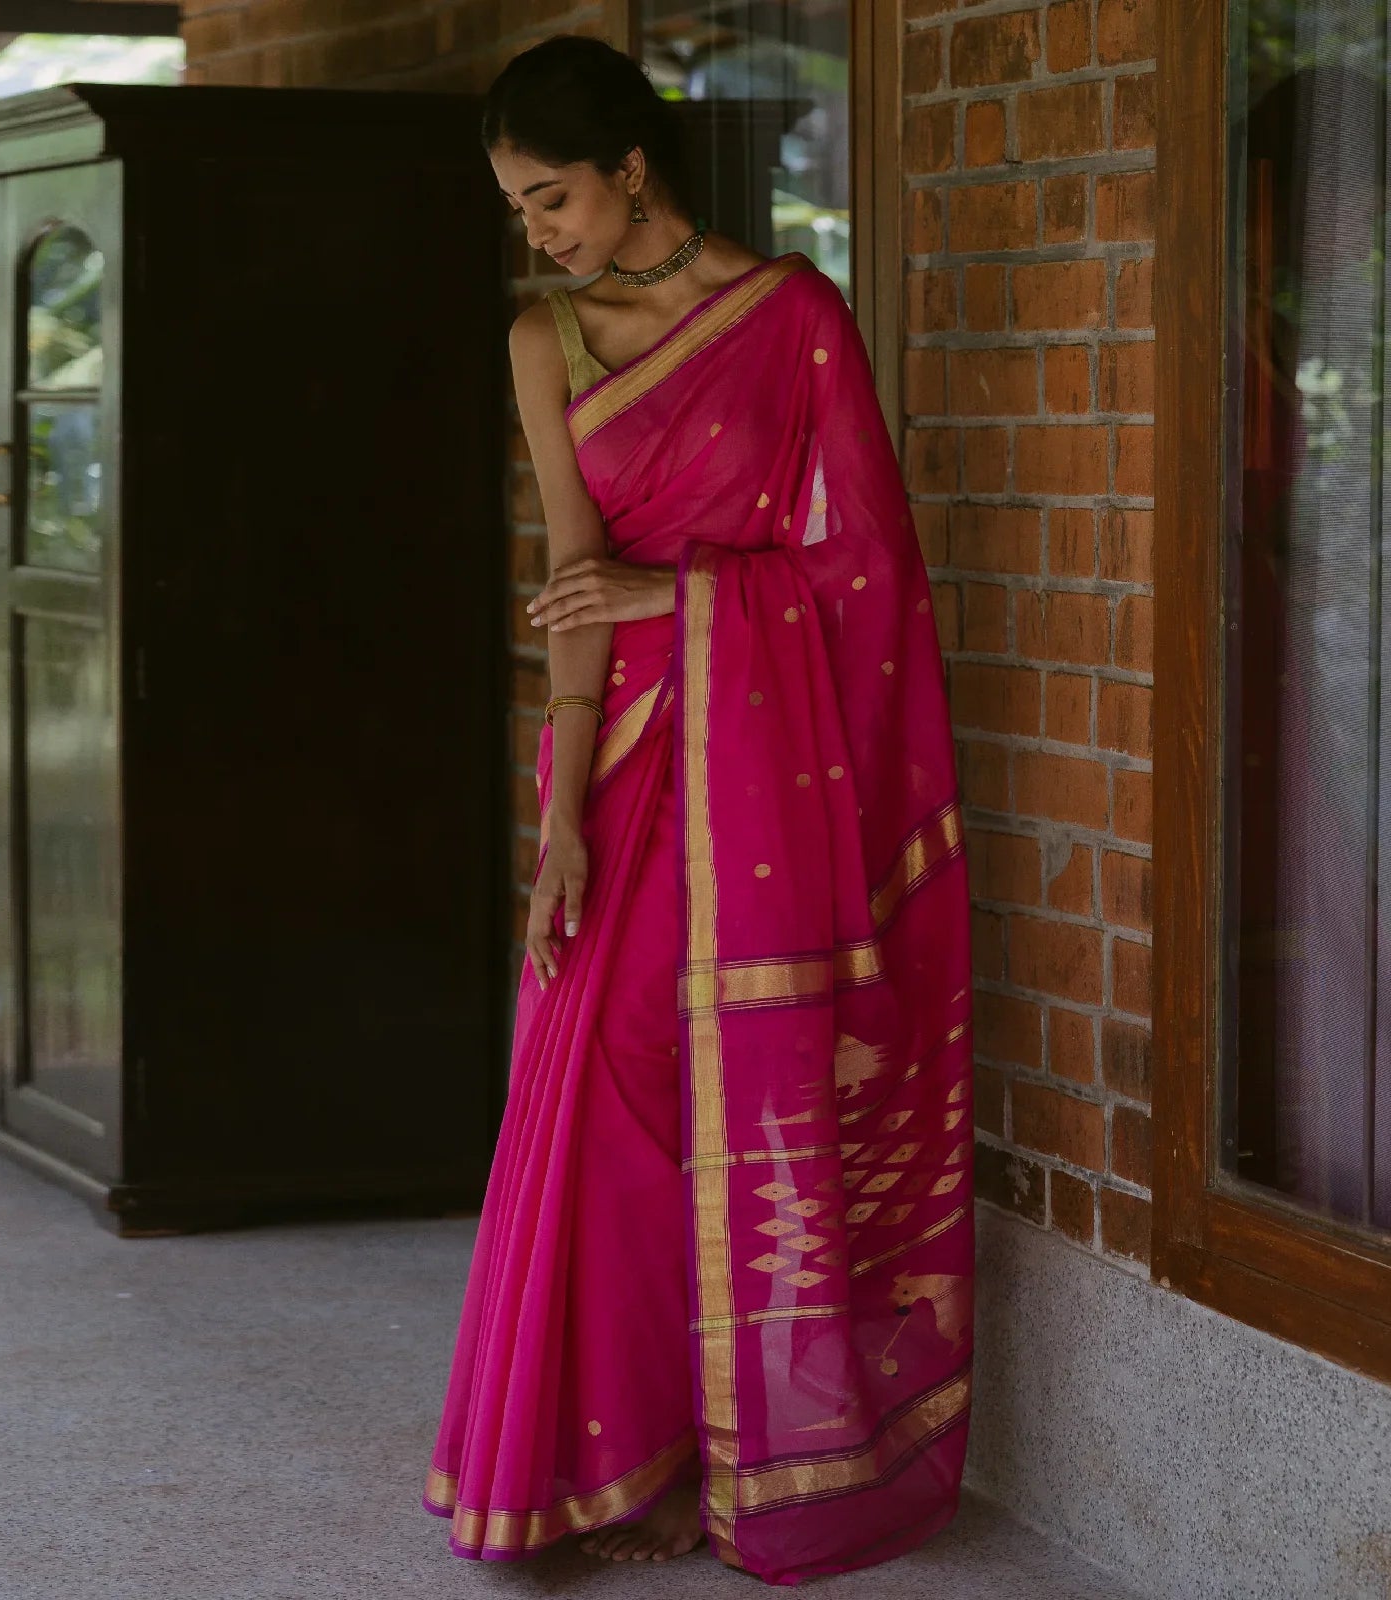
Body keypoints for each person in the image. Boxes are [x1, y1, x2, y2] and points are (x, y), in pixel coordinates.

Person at [421, 33, 975, 1585]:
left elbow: (868, 571)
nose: (538, 229)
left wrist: (682, 595)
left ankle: (721, 1454)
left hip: (757, 769)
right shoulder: (545, 338)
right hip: (620, 760)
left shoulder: (794, 318)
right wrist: (560, 822)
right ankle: (601, 1454)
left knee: (731, 1086)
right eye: (519, 207)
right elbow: (573, 578)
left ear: (630, 166)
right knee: (599, 1078)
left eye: (551, 196)